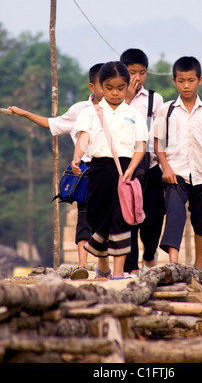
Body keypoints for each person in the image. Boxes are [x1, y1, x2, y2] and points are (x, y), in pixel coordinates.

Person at [8, 63, 104, 280]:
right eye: (105, 85)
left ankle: (104, 267)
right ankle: (82, 264)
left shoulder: (119, 110)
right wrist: (24, 114)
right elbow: (53, 124)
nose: (110, 91)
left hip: (109, 168)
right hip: (85, 169)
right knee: (84, 215)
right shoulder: (80, 111)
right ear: (92, 86)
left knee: (107, 216)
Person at [72, 61, 148, 279]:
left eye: (120, 88)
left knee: (120, 219)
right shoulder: (90, 113)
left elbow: (140, 146)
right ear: (101, 87)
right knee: (96, 217)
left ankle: (117, 273)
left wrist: (131, 170)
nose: (115, 93)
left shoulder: (133, 114)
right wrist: (77, 157)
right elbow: (84, 137)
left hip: (124, 171)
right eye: (110, 87)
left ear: (127, 87)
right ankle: (102, 266)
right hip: (98, 171)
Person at [153, 56, 202, 269]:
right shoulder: (166, 110)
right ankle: (174, 264)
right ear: (174, 81)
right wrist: (165, 167)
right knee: (175, 215)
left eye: (191, 80)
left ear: (200, 80)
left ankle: (198, 265)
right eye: (182, 80)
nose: (186, 85)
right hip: (175, 174)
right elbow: (157, 143)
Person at [120, 48, 165, 278]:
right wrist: (126, 97)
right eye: (131, 72)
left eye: (142, 72)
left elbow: (159, 134)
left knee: (153, 219)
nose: (137, 78)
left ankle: (149, 254)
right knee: (129, 218)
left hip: (151, 166)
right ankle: (131, 268)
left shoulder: (154, 99)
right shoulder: (115, 98)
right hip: (125, 167)